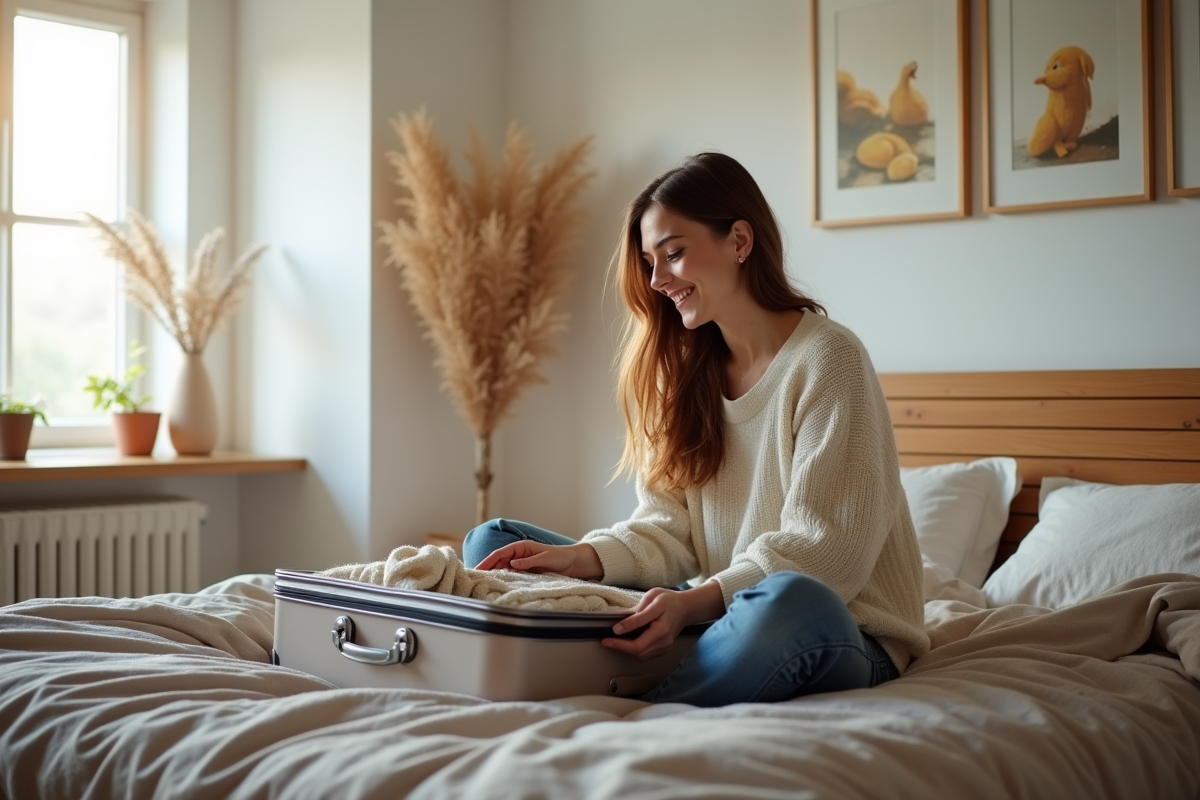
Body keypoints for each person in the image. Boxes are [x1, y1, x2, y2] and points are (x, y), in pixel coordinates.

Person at [465, 152, 929, 707]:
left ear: (739, 240)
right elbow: (669, 528)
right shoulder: (686, 374)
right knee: (496, 543)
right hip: (715, 613)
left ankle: (635, 700)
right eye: (648, 262)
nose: (658, 280)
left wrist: (692, 603)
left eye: (674, 253)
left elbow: (827, 556)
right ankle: (661, 664)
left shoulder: (830, 361)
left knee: (787, 601)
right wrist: (582, 559)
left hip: (839, 629)